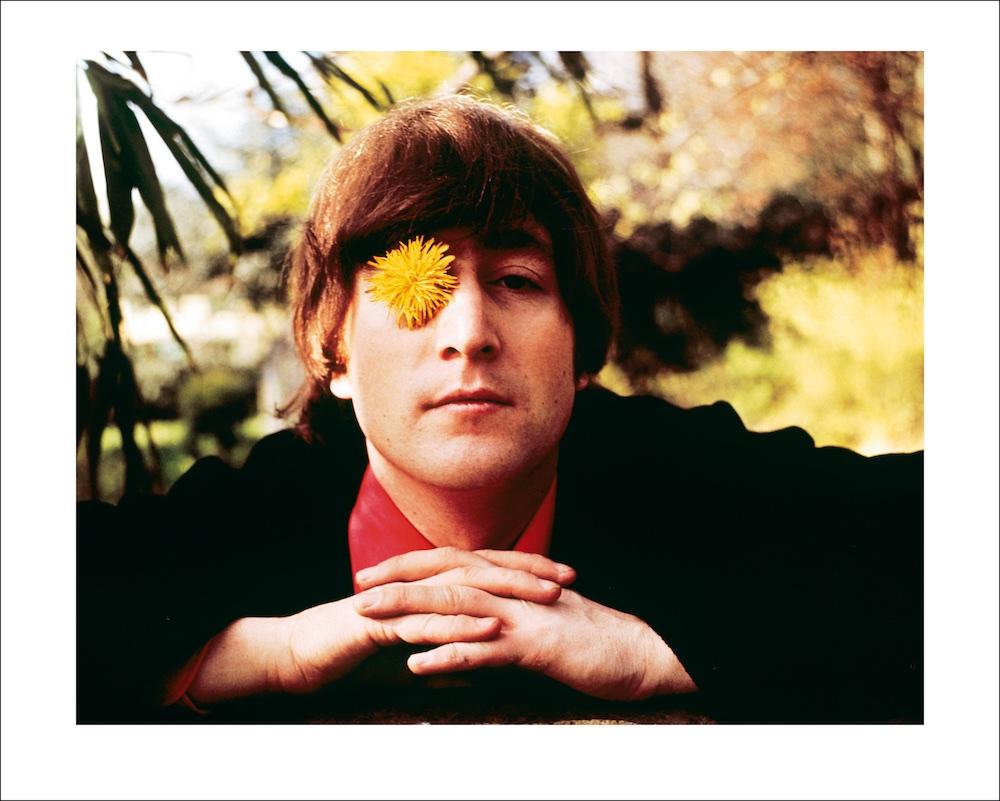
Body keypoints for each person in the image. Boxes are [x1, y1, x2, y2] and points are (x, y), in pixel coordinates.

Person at [77, 95, 922, 724]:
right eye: (416, 289)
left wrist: (665, 654)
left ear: (582, 345)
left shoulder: (676, 467)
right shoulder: (267, 501)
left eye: (518, 282)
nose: (470, 334)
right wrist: (263, 654)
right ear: (332, 352)